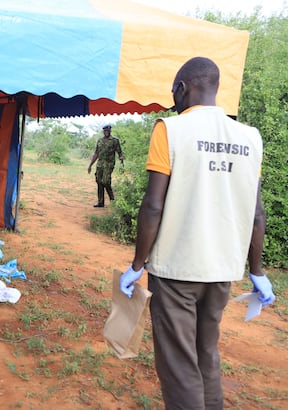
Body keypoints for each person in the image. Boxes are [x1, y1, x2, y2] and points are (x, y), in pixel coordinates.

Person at [119, 57, 275, 409]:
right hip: (222, 272)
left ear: (182, 88)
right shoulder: (250, 137)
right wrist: (257, 271)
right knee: (206, 352)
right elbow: (257, 213)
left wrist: (137, 264)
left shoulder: (170, 130)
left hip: (176, 271)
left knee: (179, 362)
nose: (173, 100)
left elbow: (153, 206)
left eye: (174, 92)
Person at [87, 125, 123, 207]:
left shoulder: (115, 140)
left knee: (106, 181)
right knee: (99, 182)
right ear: (103, 131)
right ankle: (100, 202)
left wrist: (121, 159)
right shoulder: (100, 141)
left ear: (110, 131)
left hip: (109, 164)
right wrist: (90, 165)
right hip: (100, 164)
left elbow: (119, 152)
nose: (106, 132)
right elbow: (96, 153)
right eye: (105, 130)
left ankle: (112, 200)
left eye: (108, 130)